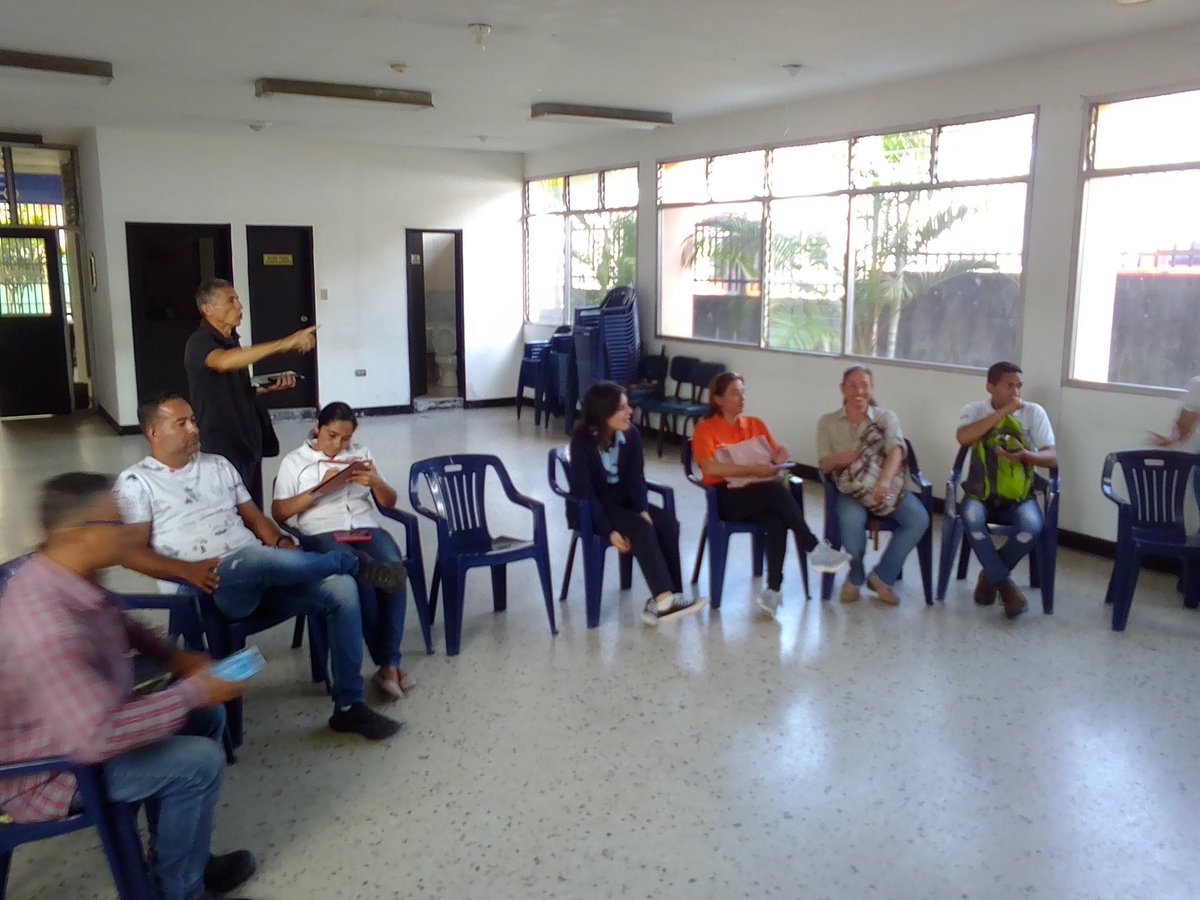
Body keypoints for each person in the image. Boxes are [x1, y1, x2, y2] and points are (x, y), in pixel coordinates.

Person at [0, 472, 256, 900]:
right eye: (116, 525)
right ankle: (179, 890)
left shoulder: (60, 571)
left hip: (81, 723)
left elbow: (117, 618)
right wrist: (193, 690)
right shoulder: (48, 630)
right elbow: (96, 738)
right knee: (198, 761)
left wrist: (174, 657)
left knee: (206, 718)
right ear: (76, 534)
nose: (129, 533)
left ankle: (176, 853)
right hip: (50, 770)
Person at [114, 393, 403, 741]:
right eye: (182, 423)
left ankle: (348, 707)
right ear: (153, 433)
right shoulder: (136, 482)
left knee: (341, 589)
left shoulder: (218, 464)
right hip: (210, 586)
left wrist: (282, 543)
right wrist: (185, 571)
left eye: (193, 419)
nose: (194, 428)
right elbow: (131, 553)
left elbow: (256, 520)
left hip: (263, 571)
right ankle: (347, 561)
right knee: (252, 558)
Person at [272, 402, 415, 699]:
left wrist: (376, 482)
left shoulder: (361, 455)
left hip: (363, 525)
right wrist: (318, 490)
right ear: (317, 427)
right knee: (360, 573)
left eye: (345, 438)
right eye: (332, 435)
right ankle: (388, 663)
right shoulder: (295, 461)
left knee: (393, 569)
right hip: (322, 529)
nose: (338, 445)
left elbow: (389, 502)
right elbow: (280, 513)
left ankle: (388, 663)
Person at [690, 372, 850, 618]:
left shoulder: (755, 424)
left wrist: (778, 459)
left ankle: (773, 590)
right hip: (726, 497)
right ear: (718, 399)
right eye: (734, 392)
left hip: (760, 491)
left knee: (778, 517)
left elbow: (772, 460)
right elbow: (710, 468)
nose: (741, 398)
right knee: (775, 492)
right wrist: (753, 469)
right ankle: (813, 547)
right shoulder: (705, 429)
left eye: (743, 392)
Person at [568, 382, 708, 626]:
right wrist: (608, 531)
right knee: (641, 528)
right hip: (592, 508)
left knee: (667, 524)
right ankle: (664, 601)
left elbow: (636, 478)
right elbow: (585, 493)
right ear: (604, 412)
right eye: (622, 408)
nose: (630, 411)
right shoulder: (581, 442)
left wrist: (643, 508)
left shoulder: (630, 435)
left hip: (623, 502)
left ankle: (670, 596)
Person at [184, 277, 317, 508]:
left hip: (247, 439)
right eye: (230, 300)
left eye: (237, 300)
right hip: (222, 444)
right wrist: (287, 343)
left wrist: (265, 388)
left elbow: (231, 389)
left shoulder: (231, 339)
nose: (239, 306)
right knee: (230, 510)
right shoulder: (199, 342)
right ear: (208, 309)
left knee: (252, 508)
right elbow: (223, 363)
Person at [816, 365, 930, 606]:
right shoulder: (827, 422)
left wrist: (884, 482)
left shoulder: (885, 417)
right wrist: (839, 458)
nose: (859, 391)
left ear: (872, 388)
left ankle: (882, 576)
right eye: (853, 386)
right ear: (842, 389)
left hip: (885, 484)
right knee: (850, 523)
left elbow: (897, 450)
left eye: (864, 385)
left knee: (918, 519)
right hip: (850, 490)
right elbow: (824, 465)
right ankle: (856, 576)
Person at [956, 361, 1057, 619]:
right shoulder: (975, 409)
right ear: (990, 387)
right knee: (971, 520)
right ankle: (1006, 586)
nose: (1016, 391)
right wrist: (1003, 413)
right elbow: (964, 437)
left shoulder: (1034, 412)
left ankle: (989, 577)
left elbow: (1053, 457)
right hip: (980, 493)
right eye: (1008, 385)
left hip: (1019, 495)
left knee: (1032, 528)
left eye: (1019, 386)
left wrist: (1026, 456)